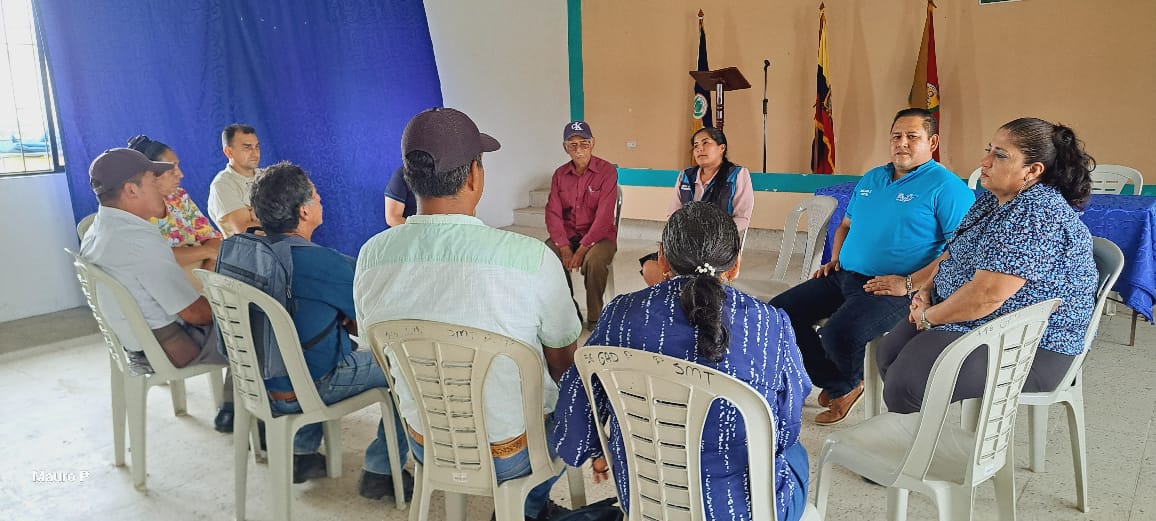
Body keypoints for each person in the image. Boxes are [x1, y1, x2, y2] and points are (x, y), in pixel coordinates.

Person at [355, 108, 580, 521]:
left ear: (409, 178)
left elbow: (378, 355)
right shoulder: (531, 259)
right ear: (475, 176)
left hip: (426, 443)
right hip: (512, 454)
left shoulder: (371, 257)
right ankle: (528, 508)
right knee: (579, 395)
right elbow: (564, 365)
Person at [553, 202, 811, 521]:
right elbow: (786, 425)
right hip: (745, 510)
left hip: (646, 499)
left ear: (662, 258)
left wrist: (596, 450)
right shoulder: (770, 325)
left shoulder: (620, 315)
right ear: (736, 264)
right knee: (796, 451)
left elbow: (578, 402)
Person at [876, 117, 1099, 414]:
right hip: (981, 320)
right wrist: (925, 291)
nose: (985, 161)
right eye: (989, 150)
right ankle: (916, 431)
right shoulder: (993, 200)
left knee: (908, 381)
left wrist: (929, 317)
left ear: (1033, 170)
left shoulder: (1036, 213)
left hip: (1031, 344)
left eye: (1000, 155)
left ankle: (923, 442)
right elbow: (955, 253)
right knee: (888, 353)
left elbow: (987, 296)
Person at [769, 108, 975, 425]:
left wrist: (909, 284)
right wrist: (835, 259)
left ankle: (844, 384)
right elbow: (845, 226)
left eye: (912, 136)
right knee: (779, 314)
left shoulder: (946, 188)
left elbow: (960, 250)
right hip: (844, 274)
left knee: (838, 333)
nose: (902, 143)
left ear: (932, 142)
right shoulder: (873, 178)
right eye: (896, 136)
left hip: (895, 286)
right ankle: (840, 382)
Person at [248, 161, 411, 496]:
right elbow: (372, 324)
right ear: (304, 211)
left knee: (308, 342)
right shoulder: (325, 263)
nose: (320, 198)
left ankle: (302, 452)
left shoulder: (244, 253)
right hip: (308, 387)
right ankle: (381, 470)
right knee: (403, 366)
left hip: (256, 382)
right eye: (315, 194)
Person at [79, 149, 228, 374]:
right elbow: (196, 314)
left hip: (137, 345)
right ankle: (265, 394)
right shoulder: (139, 242)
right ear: (131, 190)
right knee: (260, 326)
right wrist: (232, 308)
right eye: (152, 181)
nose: (158, 188)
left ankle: (237, 395)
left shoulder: (96, 229)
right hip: (173, 348)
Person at [640, 126, 753, 285]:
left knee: (697, 276)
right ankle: (678, 298)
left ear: (722, 147)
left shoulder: (737, 175)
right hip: (686, 242)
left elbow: (742, 218)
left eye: (705, 143)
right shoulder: (686, 176)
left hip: (718, 245)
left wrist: (711, 235)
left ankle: (694, 297)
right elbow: (673, 214)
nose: (700, 148)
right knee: (650, 267)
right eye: (696, 145)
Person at [544, 120, 619, 327]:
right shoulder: (560, 174)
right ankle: (570, 311)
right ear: (565, 148)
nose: (579, 150)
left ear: (592, 143)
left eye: (584, 143)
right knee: (548, 255)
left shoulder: (607, 171)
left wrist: (582, 249)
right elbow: (553, 212)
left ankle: (595, 317)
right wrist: (563, 246)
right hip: (569, 235)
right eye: (573, 145)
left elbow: (604, 217)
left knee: (595, 261)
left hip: (600, 237)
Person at [127, 135, 222, 277]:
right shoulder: (132, 211)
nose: (181, 174)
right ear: (149, 175)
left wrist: (207, 270)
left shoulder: (178, 197)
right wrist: (205, 251)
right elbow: (155, 259)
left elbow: (212, 238)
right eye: (171, 170)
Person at [207, 123, 262, 236]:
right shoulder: (222, 185)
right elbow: (247, 231)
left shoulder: (269, 176)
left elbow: (299, 212)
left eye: (257, 147)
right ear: (228, 152)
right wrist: (278, 219)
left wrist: (257, 218)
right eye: (247, 147)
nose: (255, 153)